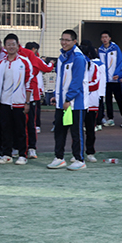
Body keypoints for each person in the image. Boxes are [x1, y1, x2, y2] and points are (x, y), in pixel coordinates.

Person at [48, 29, 88, 170]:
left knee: (76, 132)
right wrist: (57, 95)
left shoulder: (78, 58)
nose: (64, 42)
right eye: (62, 39)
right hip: (61, 102)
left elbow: (77, 81)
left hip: (75, 104)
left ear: (74, 41)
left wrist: (68, 99)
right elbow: (60, 79)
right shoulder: (61, 57)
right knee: (59, 131)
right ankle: (59, 158)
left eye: (67, 40)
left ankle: (79, 159)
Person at [0, 33, 33, 165]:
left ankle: (22, 155)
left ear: (18, 45)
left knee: (20, 130)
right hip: (4, 102)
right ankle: (7, 154)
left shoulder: (24, 61)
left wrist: (27, 102)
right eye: (8, 44)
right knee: (5, 129)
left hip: (19, 102)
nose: (11, 47)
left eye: (13, 44)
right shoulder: (2, 63)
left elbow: (29, 82)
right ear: (4, 46)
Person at [98, 30, 122, 126]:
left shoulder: (115, 48)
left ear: (110, 38)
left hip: (115, 79)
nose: (104, 39)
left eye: (106, 37)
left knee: (119, 99)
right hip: (106, 80)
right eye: (102, 37)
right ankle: (110, 118)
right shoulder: (100, 50)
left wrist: (117, 73)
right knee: (108, 100)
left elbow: (121, 61)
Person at [83, 44, 104, 162]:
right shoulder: (76, 66)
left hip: (91, 102)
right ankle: (77, 152)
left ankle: (90, 152)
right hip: (79, 102)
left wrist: (82, 87)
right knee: (77, 130)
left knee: (90, 129)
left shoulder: (94, 67)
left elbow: (95, 84)